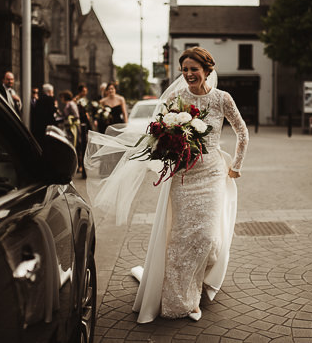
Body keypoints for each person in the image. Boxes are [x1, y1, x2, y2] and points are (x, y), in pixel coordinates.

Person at [85, 47, 249, 323]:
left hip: (211, 176)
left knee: (208, 239)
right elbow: (158, 133)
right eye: (184, 70)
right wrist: (169, 149)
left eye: (193, 69)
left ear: (207, 69)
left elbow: (242, 133)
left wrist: (236, 167)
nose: (188, 74)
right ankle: (181, 299)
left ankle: (197, 282)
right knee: (181, 238)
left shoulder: (223, 99)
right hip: (184, 176)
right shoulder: (176, 97)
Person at [74, 84, 92, 177]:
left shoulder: (85, 100)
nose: (85, 93)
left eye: (86, 91)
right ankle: (79, 165)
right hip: (80, 123)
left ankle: (85, 164)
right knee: (80, 144)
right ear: (80, 91)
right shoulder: (76, 100)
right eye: (84, 91)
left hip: (86, 123)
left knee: (85, 143)